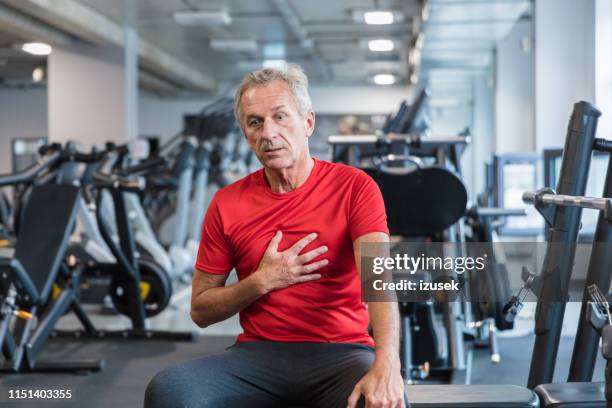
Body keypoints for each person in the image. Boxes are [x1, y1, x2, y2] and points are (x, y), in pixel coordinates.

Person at [145, 63, 406, 408]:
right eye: (255, 122)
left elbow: (379, 281)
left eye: (280, 117)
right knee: (168, 390)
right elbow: (200, 309)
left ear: (308, 122)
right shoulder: (226, 203)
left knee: (379, 401)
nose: (268, 132)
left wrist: (388, 363)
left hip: (341, 353)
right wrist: (261, 281)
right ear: (246, 134)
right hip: (257, 356)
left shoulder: (355, 187)